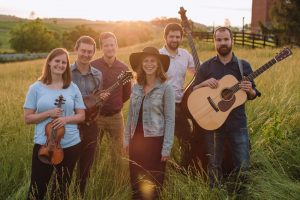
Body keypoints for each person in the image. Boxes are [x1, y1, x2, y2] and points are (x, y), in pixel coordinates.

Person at [192, 27, 261, 188]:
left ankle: (241, 192)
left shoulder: (243, 66)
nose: (222, 43)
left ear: (232, 41)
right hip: (213, 122)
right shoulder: (207, 67)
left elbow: (252, 94)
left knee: (243, 164)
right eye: (219, 40)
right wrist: (204, 83)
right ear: (214, 41)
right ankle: (216, 192)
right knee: (214, 164)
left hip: (237, 123)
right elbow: (194, 90)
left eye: (226, 39)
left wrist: (249, 89)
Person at [23, 48, 85, 200]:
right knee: (36, 191)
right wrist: (48, 113)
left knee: (61, 190)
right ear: (49, 62)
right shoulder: (36, 88)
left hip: (71, 144)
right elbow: (27, 118)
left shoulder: (72, 87)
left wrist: (66, 119)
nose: (60, 65)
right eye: (57, 61)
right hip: (44, 145)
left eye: (64, 62)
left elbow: (81, 115)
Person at [124, 47, 175, 200]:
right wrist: (127, 139)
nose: (149, 64)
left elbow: (170, 119)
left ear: (159, 64)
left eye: (153, 61)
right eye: (145, 61)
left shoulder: (166, 88)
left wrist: (166, 147)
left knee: (154, 184)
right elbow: (131, 115)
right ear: (141, 64)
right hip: (136, 142)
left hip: (155, 142)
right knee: (136, 182)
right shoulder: (136, 87)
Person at [71, 36, 107, 197]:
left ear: (94, 52)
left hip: (91, 125)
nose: (86, 54)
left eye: (89, 52)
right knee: (66, 165)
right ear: (76, 50)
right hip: (70, 126)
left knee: (85, 168)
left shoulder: (98, 75)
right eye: (83, 51)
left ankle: (80, 194)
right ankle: (61, 193)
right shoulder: (66, 73)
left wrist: (100, 100)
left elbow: (95, 103)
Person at [91, 32, 131, 162]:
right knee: (92, 152)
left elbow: (126, 94)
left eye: (112, 45)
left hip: (116, 118)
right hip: (96, 116)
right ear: (101, 48)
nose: (109, 48)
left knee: (119, 154)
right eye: (106, 45)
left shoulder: (124, 68)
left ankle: (118, 179)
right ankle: (90, 179)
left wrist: (115, 103)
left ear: (116, 46)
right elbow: (86, 90)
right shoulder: (92, 66)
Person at [159, 23, 195, 165]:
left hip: (180, 103)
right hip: (161, 104)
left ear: (181, 38)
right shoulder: (158, 55)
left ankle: (183, 166)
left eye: (178, 37)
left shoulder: (185, 55)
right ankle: (160, 167)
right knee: (161, 138)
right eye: (172, 36)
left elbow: (198, 70)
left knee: (186, 136)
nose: (175, 39)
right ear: (165, 37)